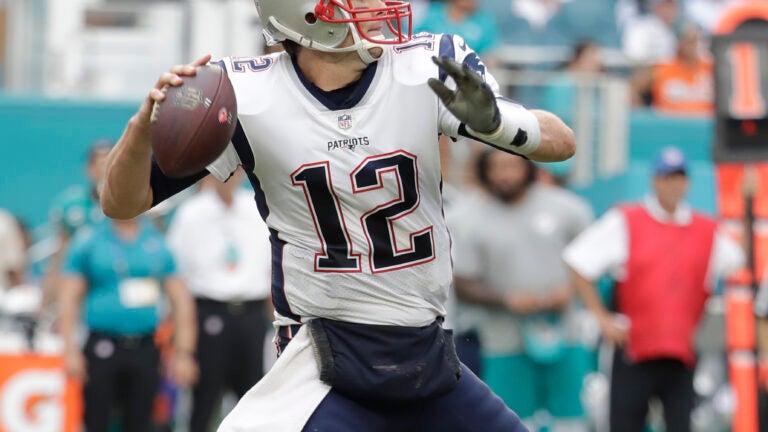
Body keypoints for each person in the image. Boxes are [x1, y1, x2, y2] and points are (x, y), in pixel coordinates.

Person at [99, 0, 575, 430]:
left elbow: (561, 142)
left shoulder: (424, 64)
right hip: (322, 357)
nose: (379, 4)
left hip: (424, 352)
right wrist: (141, 130)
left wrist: (498, 122)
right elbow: (122, 202)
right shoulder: (245, 93)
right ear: (305, 14)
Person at [563, 146, 744, 432]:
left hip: (681, 351)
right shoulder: (627, 220)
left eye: (679, 177)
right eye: (667, 177)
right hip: (633, 347)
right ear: (654, 180)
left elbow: (737, 259)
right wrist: (601, 318)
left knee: (681, 423)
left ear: (687, 182)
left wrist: (745, 202)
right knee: (625, 423)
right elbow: (578, 261)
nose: (673, 184)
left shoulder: (706, 230)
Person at [452, 150, 594, 431]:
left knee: (570, 419)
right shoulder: (465, 218)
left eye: (512, 166)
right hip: (503, 339)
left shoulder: (569, 209)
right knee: (512, 419)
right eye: (498, 167)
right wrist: (507, 299)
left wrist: (570, 289)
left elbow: (592, 263)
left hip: (565, 336)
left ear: (528, 168)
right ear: (484, 171)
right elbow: (463, 285)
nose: (505, 174)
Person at [58, 215, 198, 432]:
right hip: (102, 344)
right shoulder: (90, 239)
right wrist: (70, 350)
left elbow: (181, 300)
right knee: (97, 418)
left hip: (145, 345)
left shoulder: (156, 241)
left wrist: (184, 352)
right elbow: (69, 298)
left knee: (141, 420)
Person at [166, 171, 272, 432]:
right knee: (204, 401)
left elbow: (272, 271)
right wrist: (183, 350)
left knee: (255, 400)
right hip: (209, 314)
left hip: (253, 314)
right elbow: (177, 281)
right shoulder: (191, 213)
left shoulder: (257, 206)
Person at [44, 141, 112, 311]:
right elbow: (61, 253)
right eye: (100, 164)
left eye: (110, 163)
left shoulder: (135, 203)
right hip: (79, 287)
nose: (104, 170)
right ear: (88, 169)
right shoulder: (72, 204)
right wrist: (46, 302)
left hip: (114, 283)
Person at [630, 22, 713, 114]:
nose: (692, 45)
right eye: (688, 40)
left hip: (705, 124)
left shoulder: (710, 68)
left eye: (696, 40)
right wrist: (641, 114)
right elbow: (632, 89)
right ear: (678, 41)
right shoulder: (662, 67)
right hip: (669, 124)